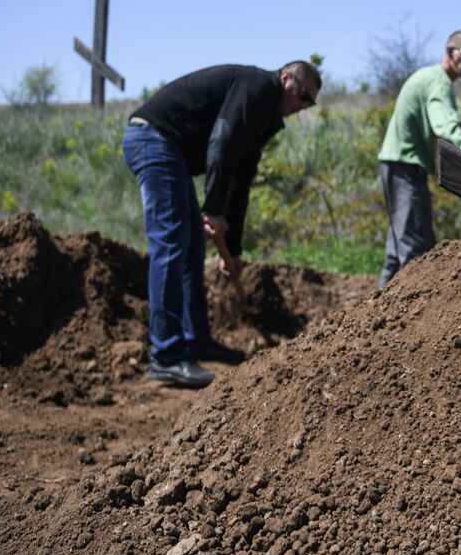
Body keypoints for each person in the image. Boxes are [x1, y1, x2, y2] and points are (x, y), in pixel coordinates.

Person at [122, 60, 321, 387]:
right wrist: (213, 208)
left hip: (173, 153)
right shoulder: (258, 86)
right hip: (154, 138)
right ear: (286, 78)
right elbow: (222, 141)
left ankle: (196, 338)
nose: (303, 106)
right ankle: (167, 355)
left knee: (193, 246)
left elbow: (241, 181)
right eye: (302, 95)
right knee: (171, 243)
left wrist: (235, 249)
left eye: (309, 102)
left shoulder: (264, 118)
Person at [377, 31, 461, 288]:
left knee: (398, 251)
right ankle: (408, 323)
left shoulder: (430, 78)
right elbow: (443, 123)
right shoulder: (439, 82)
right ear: (450, 50)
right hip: (405, 168)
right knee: (415, 251)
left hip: (398, 166)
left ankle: (372, 322)